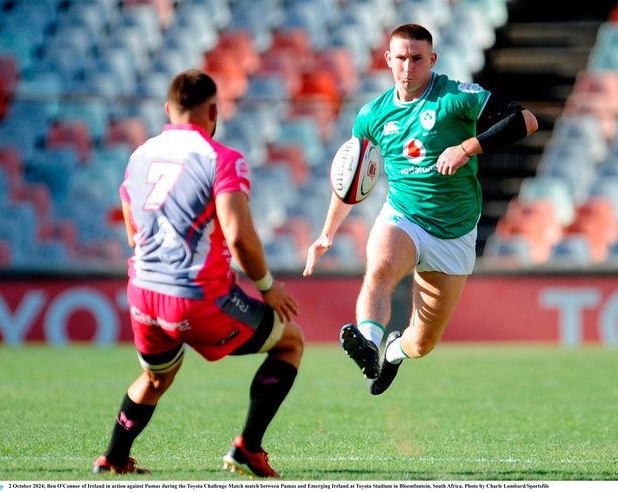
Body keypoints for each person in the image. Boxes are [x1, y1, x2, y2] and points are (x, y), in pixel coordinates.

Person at [304, 24, 537, 395]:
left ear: (432, 59)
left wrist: (467, 148)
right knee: (379, 269)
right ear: (387, 60)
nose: (408, 67)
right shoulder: (371, 115)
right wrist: (327, 233)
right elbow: (348, 176)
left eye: (416, 59)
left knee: (422, 344)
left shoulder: (455, 97)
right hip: (403, 216)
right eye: (400, 58)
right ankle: (367, 342)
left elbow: (525, 120)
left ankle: (394, 351)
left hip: (454, 231)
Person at [93, 69, 304, 478]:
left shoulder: (139, 156)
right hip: (196, 297)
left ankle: (114, 458)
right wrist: (268, 287)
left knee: (157, 376)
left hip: (142, 295)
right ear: (213, 109)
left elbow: (133, 233)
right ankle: (248, 448)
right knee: (290, 343)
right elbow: (241, 237)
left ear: (167, 110)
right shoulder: (221, 158)